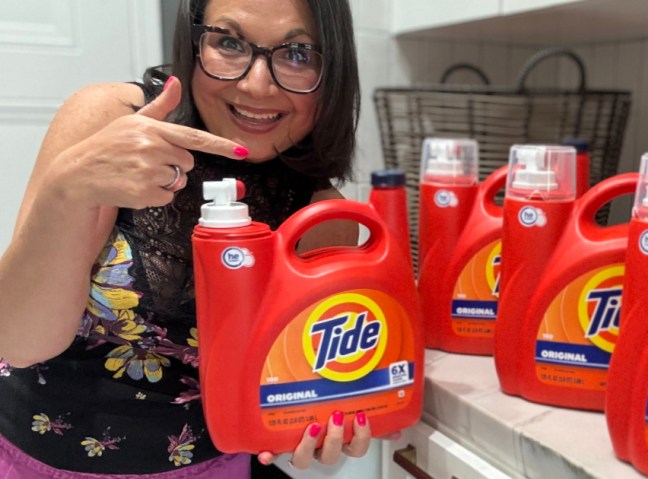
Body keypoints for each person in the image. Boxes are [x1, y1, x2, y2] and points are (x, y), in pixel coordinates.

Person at [0, 0, 376, 476]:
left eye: (298, 54)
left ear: (333, 68)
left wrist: (318, 418)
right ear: (193, 43)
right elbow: (20, 340)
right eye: (231, 43)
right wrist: (66, 193)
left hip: (208, 467)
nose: (257, 84)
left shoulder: (322, 216)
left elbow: (289, 386)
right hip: (28, 457)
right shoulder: (112, 120)